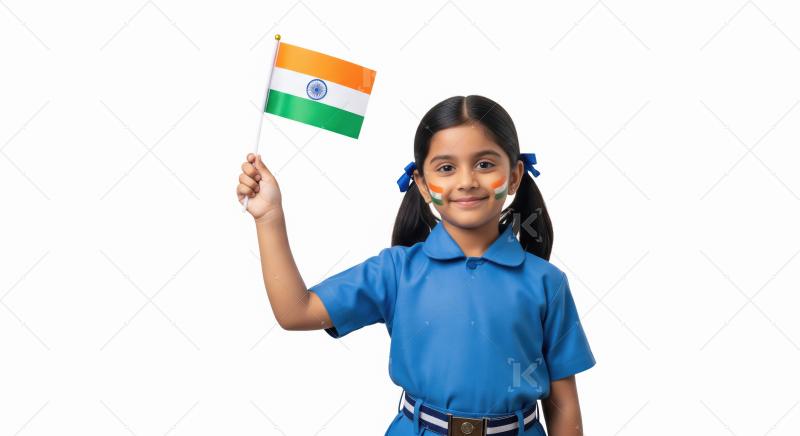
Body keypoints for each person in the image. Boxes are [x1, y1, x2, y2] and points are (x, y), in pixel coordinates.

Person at [236, 95, 596, 436]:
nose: (467, 181)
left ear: (515, 175)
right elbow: (296, 312)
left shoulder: (547, 282)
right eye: (446, 167)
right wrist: (269, 217)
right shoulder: (396, 272)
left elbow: (563, 404)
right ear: (422, 184)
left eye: (485, 164)